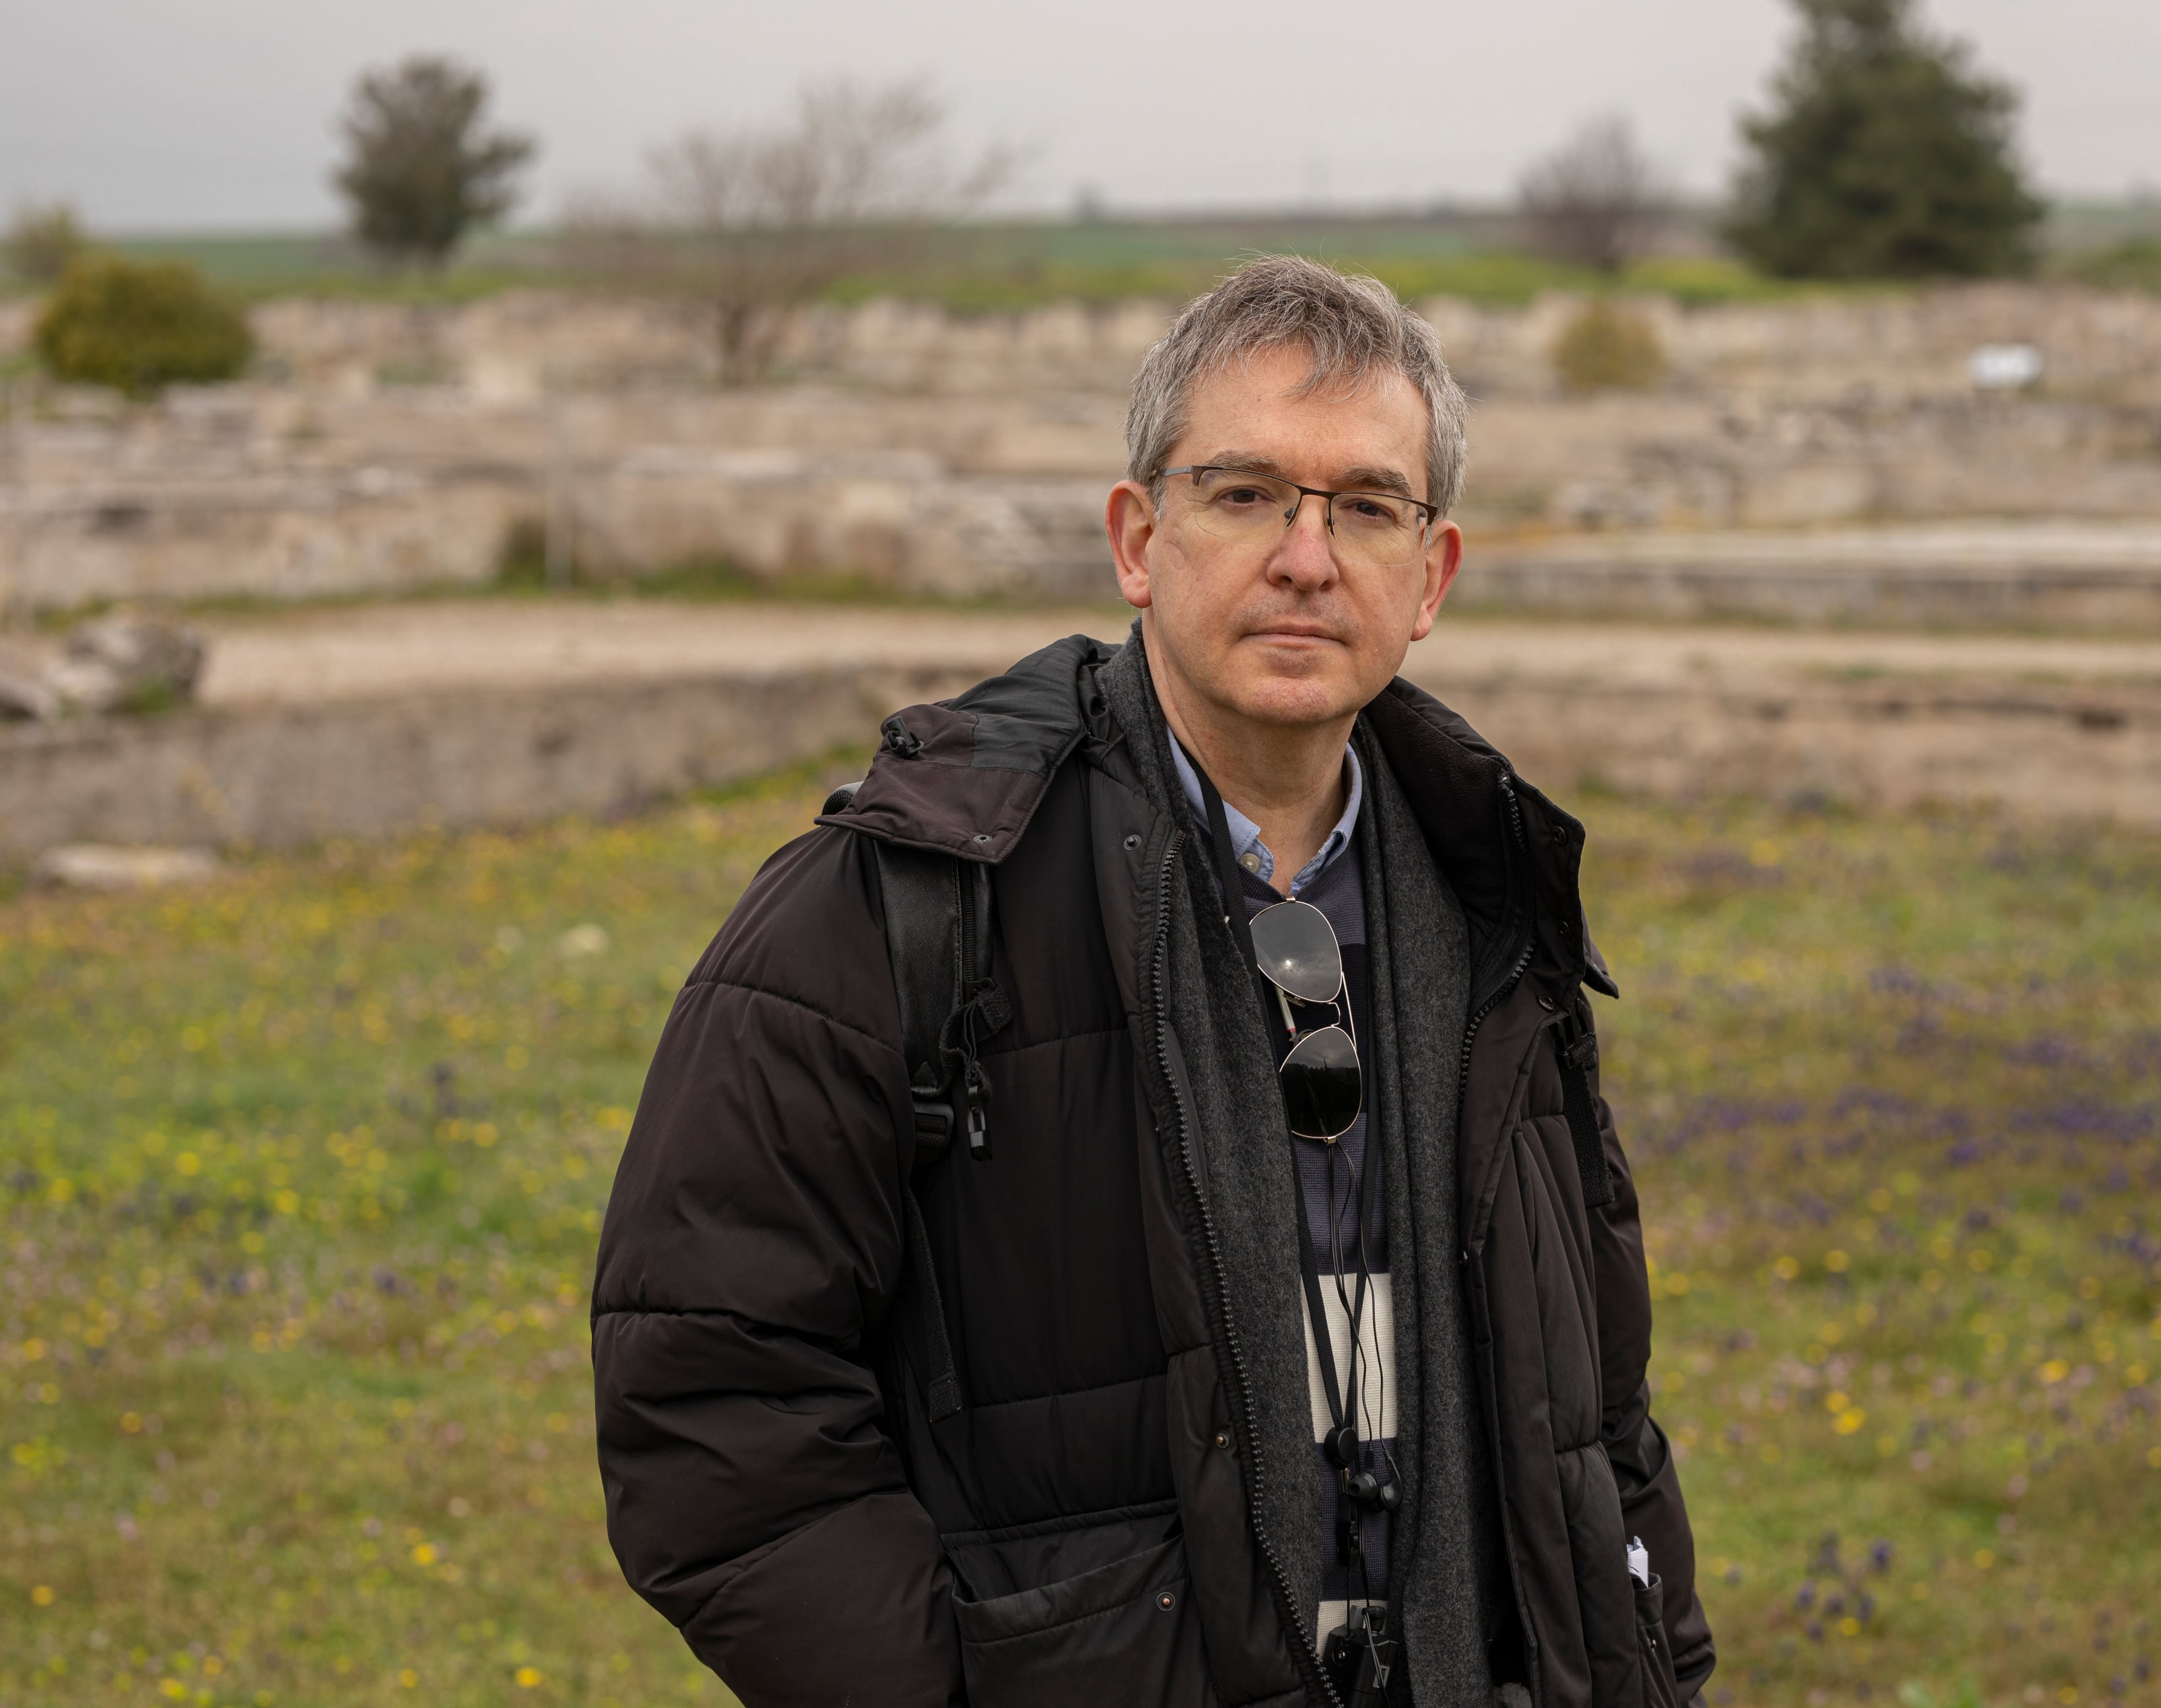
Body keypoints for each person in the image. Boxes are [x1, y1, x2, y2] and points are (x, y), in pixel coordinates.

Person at [591, 257, 1717, 1708]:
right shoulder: (901, 900)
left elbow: (1592, 1406)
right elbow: (709, 1396)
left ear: (1427, 577)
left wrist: (1654, 1670)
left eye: (1365, 506)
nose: (1306, 557)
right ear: (1138, 538)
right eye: (1242, 493)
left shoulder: (1497, 913)